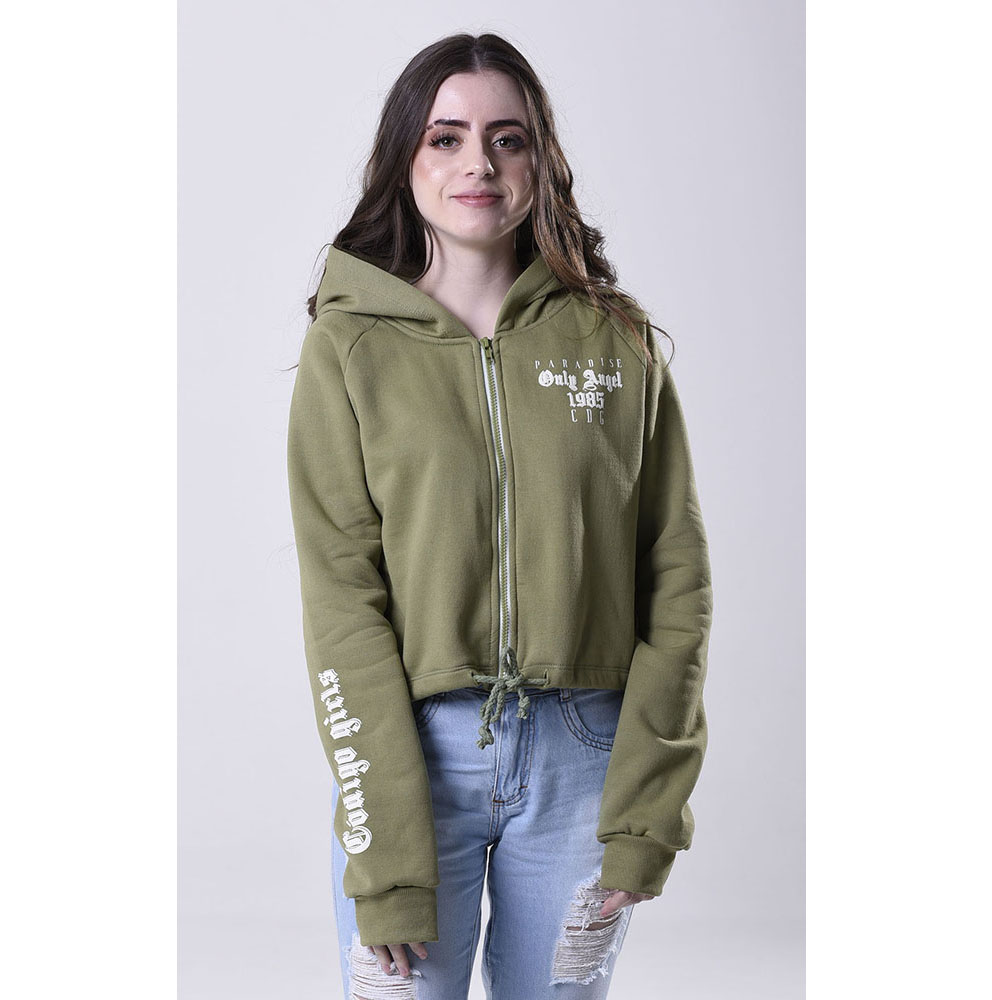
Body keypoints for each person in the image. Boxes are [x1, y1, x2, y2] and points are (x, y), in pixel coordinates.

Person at [287, 31, 714, 1000]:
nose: (477, 162)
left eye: (506, 138)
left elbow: (676, 577)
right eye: (445, 137)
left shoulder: (615, 341)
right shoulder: (349, 347)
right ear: (405, 161)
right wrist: (387, 850)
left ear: (540, 161)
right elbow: (341, 596)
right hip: (410, 757)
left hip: (585, 761)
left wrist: (645, 812)